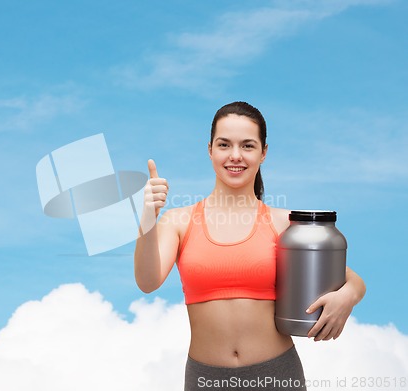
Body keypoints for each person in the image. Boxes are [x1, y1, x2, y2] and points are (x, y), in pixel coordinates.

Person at [134, 101, 366, 391]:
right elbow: (147, 281)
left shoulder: (284, 224)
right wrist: (148, 218)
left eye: (247, 145)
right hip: (205, 380)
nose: (235, 156)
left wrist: (349, 296)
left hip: (278, 375)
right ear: (209, 150)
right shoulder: (178, 221)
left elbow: (348, 278)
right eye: (224, 145)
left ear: (263, 152)